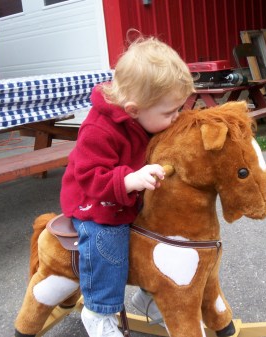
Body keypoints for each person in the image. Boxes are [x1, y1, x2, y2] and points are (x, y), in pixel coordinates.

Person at [60, 35, 194, 337]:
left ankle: (149, 295)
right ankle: (99, 311)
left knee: (162, 235)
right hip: (95, 203)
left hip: (129, 198)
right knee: (109, 242)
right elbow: (90, 176)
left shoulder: (146, 118)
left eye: (178, 110)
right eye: (169, 113)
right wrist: (128, 180)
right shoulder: (98, 128)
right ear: (134, 109)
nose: (175, 119)